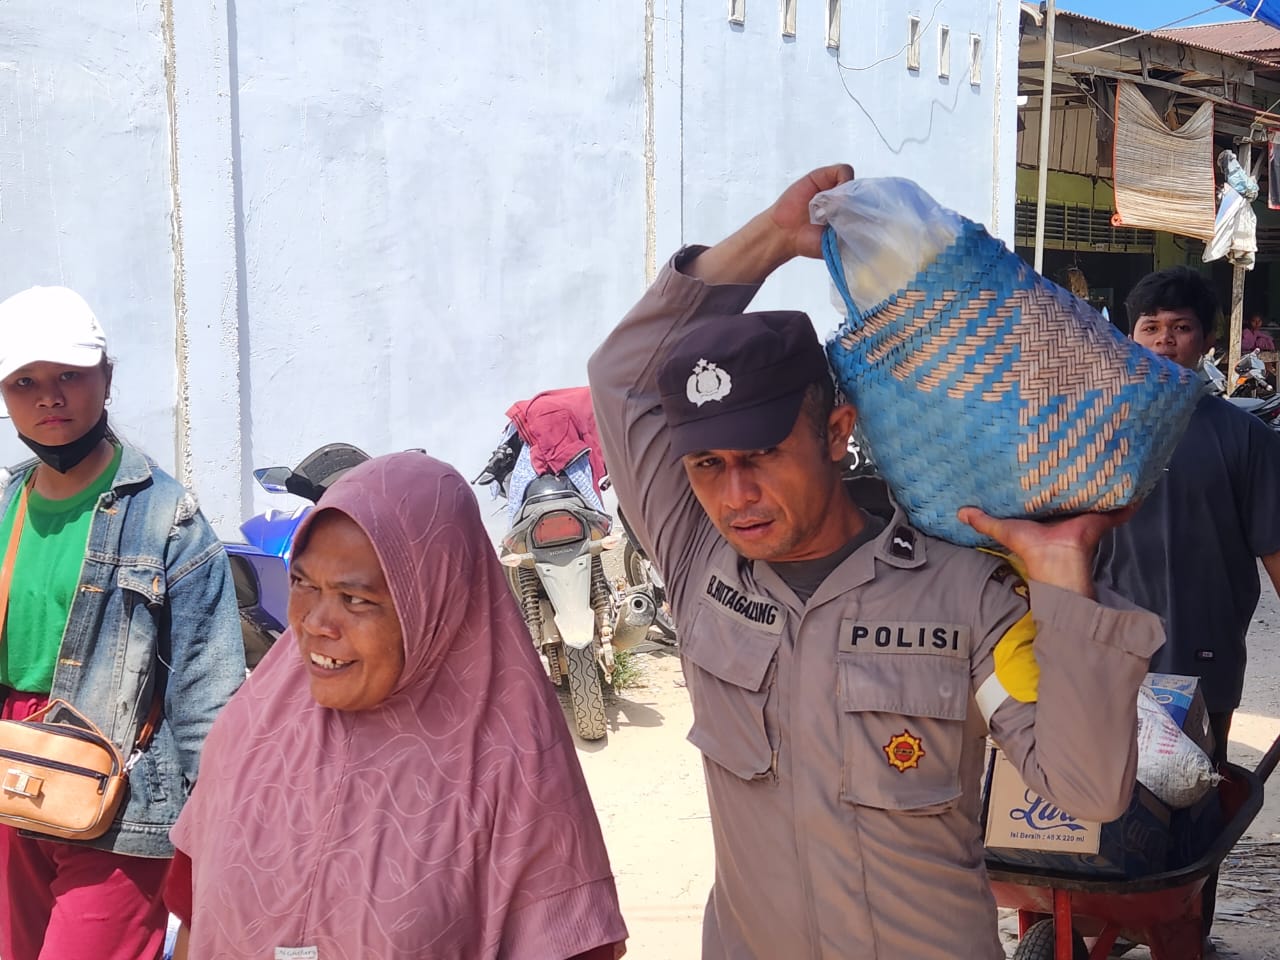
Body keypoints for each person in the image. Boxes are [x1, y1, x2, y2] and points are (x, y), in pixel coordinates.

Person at [587, 164, 1165, 959]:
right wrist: (775, 238)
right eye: (707, 467)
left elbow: (1087, 790)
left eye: (761, 455)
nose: (737, 494)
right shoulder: (697, 562)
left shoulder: (965, 593)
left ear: (834, 432)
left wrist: (1062, 572)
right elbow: (620, 377)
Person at [165, 452, 628, 959]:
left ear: (434, 600)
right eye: (304, 584)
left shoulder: (513, 770)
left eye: (356, 599)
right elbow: (194, 915)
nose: (317, 622)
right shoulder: (253, 727)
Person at [0, 285, 245, 960]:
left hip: (119, 792)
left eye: (70, 376)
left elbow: (207, 691)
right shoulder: (5, 505)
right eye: (26, 381)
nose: (50, 396)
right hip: (11, 775)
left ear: (106, 377)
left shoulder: (169, 518)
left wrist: (216, 828)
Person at [1096, 266, 1280, 952]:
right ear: (1130, 336)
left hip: (1201, 663)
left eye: (1181, 329)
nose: (1165, 341)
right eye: (1151, 328)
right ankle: (1107, 921)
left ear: (1204, 342)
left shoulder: (1246, 440)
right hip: (1104, 659)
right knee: (1096, 799)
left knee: (1194, 808)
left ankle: (1182, 932)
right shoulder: (1096, 433)